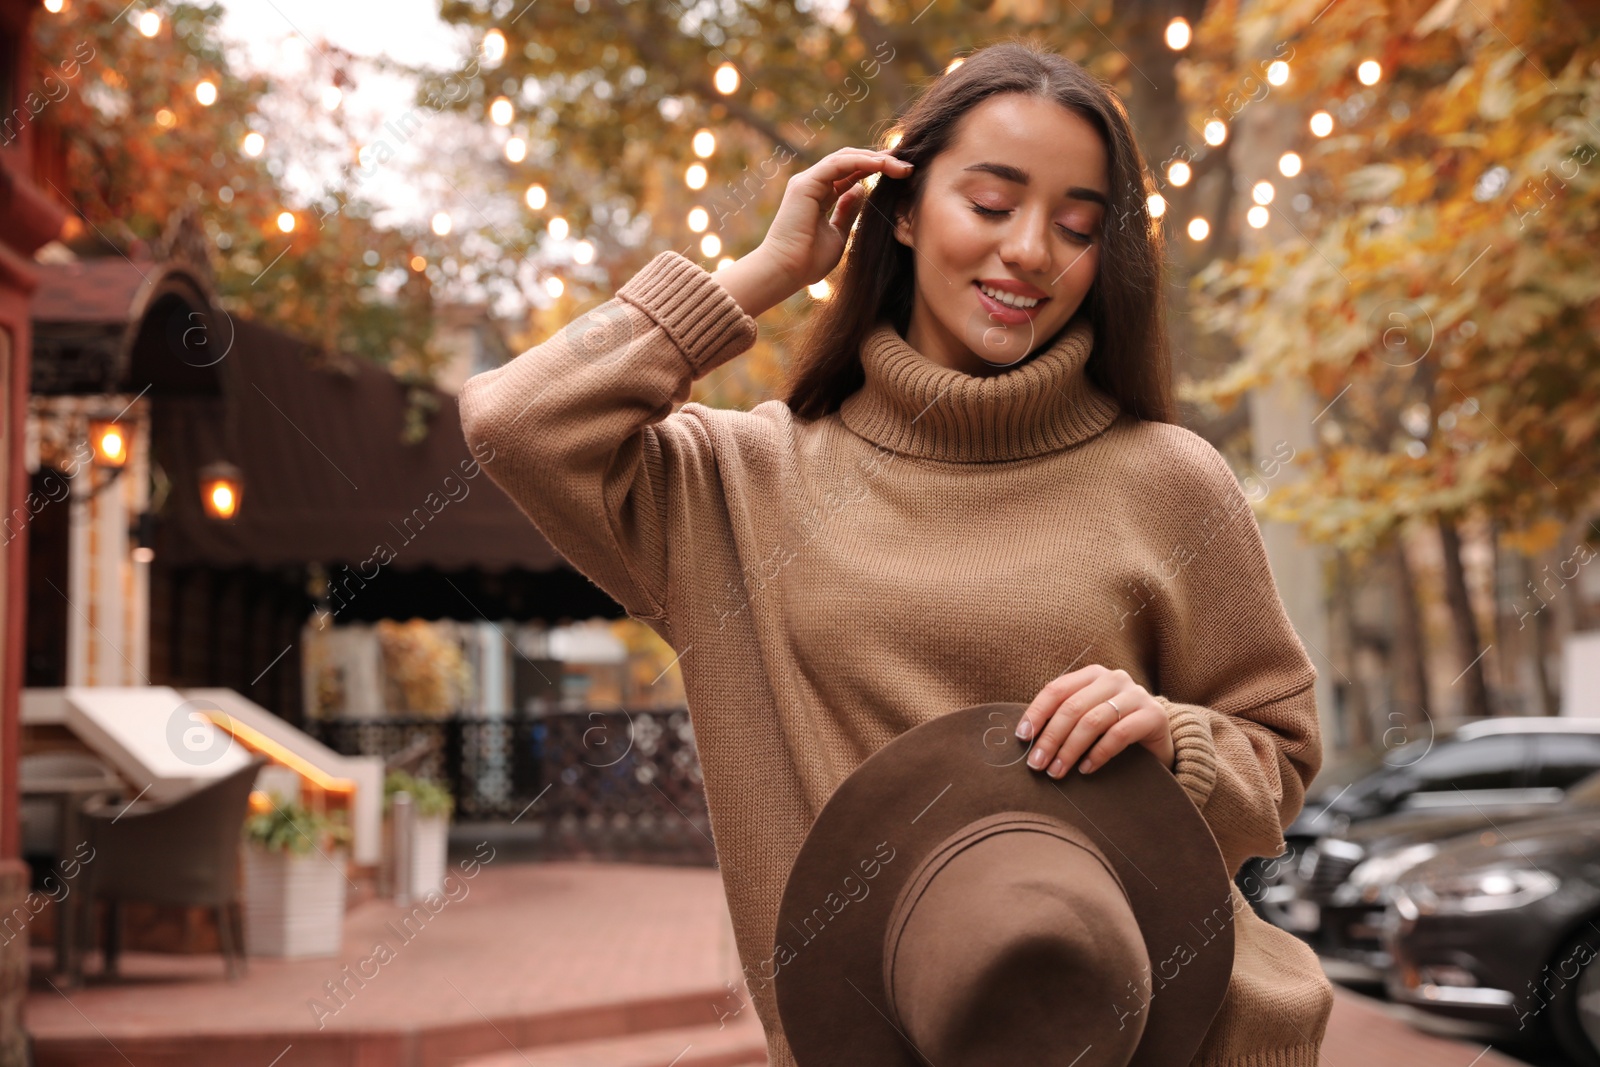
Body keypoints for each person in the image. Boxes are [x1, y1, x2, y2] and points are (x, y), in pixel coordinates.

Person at [460, 37, 1333, 1067]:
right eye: (991, 203)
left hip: (1180, 1037)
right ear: (904, 212)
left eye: (1076, 224)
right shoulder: (740, 487)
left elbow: (1277, 749)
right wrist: (765, 271)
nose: (1031, 252)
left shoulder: (1167, 477)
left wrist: (1172, 743)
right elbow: (515, 422)